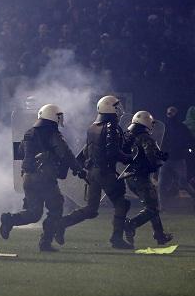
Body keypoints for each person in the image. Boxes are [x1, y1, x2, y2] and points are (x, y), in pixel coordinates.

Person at [0, 104, 86, 252]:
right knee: (56, 208)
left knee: (33, 213)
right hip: (45, 178)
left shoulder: (29, 133)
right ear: (53, 116)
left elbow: (20, 152)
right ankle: (45, 242)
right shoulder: (52, 133)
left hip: (28, 177)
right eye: (58, 116)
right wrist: (78, 169)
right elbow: (65, 153)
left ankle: (9, 220)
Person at [56, 95, 135, 249]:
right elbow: (113, 152)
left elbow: (87, 150)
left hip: (93, 172)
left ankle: (61, 224)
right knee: (122, 203)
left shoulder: (93, 127)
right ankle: (116, 239)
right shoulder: (111, 127)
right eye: (116, 107)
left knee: (91, 209)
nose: (119, 110)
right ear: (109, 108)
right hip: (105, 172)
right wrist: (130, 158)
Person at [123, 111, 173, 246]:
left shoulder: (128, 137)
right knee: (152, 208)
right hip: (141, 177)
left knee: (151, 206)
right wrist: (159, 161)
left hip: (129, 176)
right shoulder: (145, 137)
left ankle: (160, 235)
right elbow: (151, 157)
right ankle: (131, 224)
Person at [160, 106, 195, 210]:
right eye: (169, 113)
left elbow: (192, 140)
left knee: (182, 182)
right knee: (161, 183)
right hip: (166, 158)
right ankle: (162, 206)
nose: (170, 115)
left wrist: (191, 148)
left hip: (178, 158)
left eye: (172, 113)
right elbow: (160, 141)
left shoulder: (181, 127)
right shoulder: (165, 127)